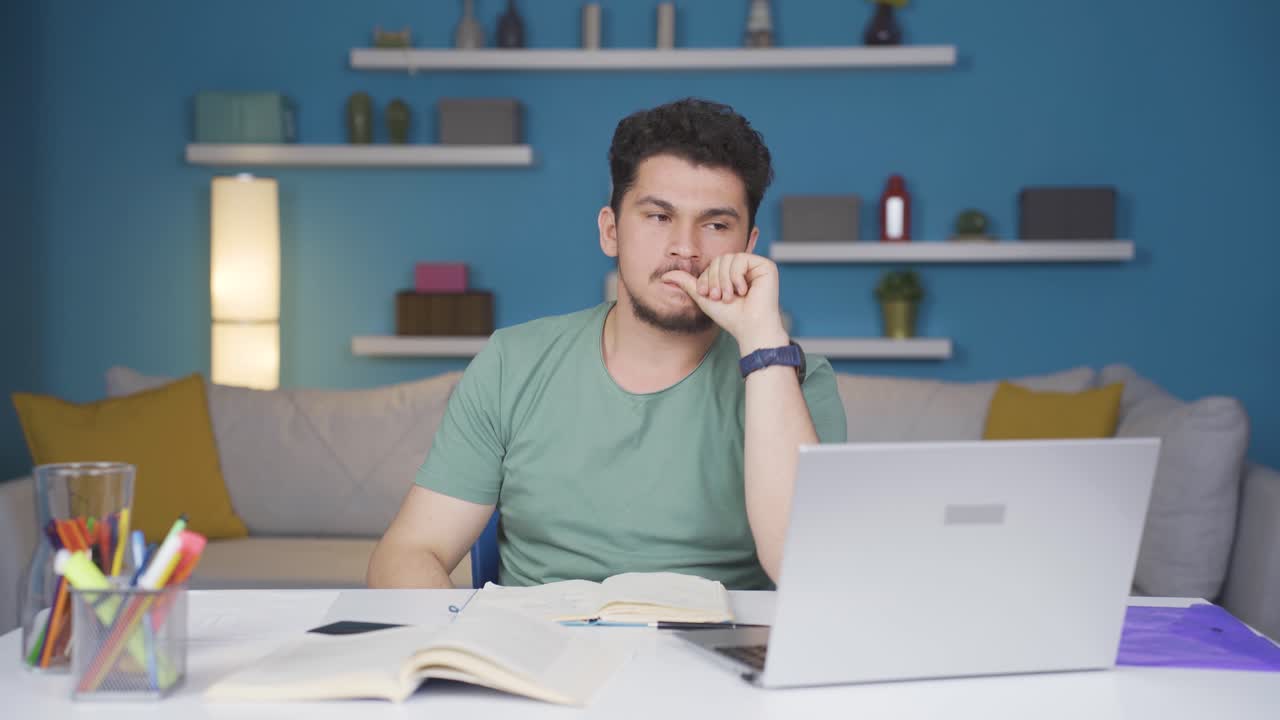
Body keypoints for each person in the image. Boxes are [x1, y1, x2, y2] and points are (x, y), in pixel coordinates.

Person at [367, 98, 847, 590]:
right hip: (539, 654)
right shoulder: (512, 362)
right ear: (611, 231)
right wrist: (465, 653)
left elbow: (809, 576)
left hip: (720, 656)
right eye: (659, 217)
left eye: (716, 224)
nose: (686, 247)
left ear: (747, 247)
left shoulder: (798, 380)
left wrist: (764, 342)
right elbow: (409, 552)